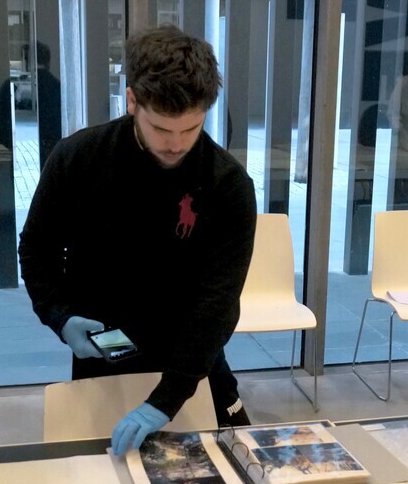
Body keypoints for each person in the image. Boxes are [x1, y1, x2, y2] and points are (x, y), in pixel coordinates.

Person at [18, 24, 256, 456]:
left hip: (192, 356)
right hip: (105, 349)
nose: (177, 144)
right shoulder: (78, 158)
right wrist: (58, 315)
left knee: (228, 475)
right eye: (162, 129)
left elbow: (218, 303)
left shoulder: (227, 183)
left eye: (192, 129)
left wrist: (166, 400)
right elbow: (37, 247)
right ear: (132, 101)